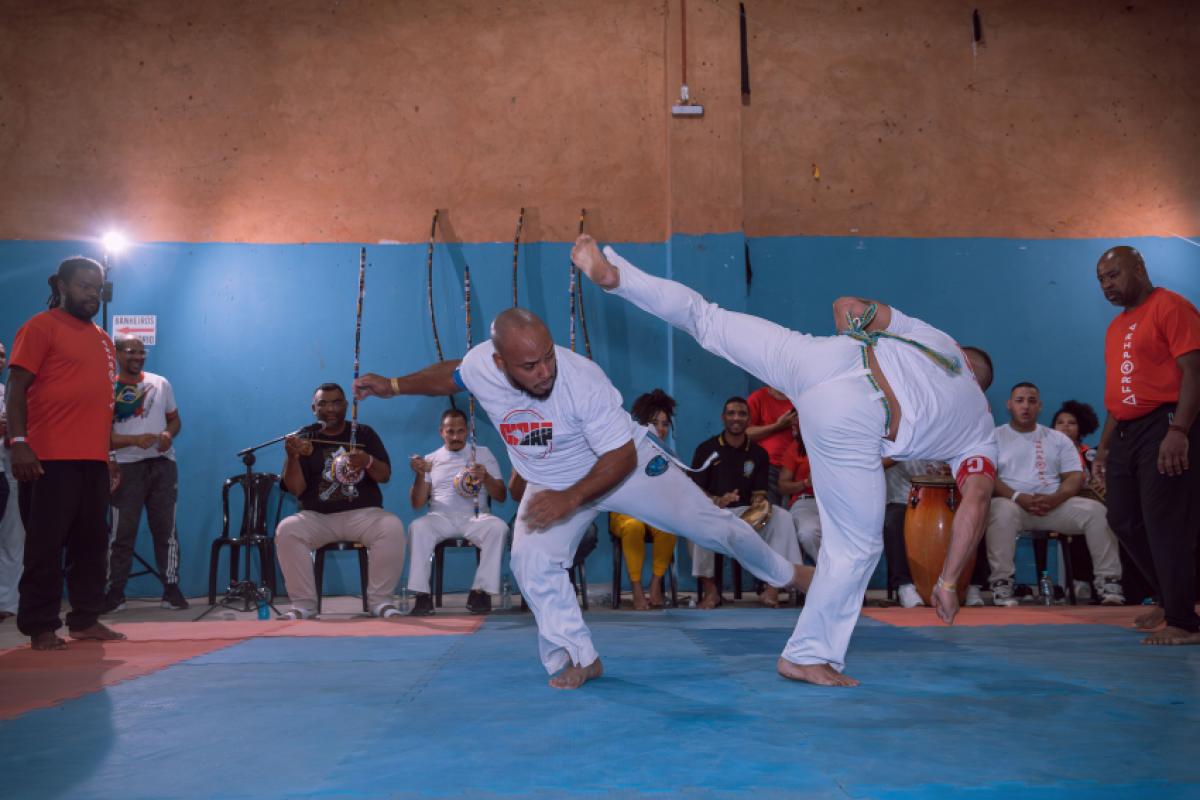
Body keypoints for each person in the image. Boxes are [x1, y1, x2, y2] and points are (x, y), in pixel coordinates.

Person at [570, 235, 997, 687]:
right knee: (855, 548)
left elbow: (847, 306)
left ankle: (617, 275)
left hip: (822, 358)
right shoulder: (980, 428)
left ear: (963, 356)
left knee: (708, 320)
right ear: (982, 385)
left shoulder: (936, 339)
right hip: (858, 414)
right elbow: (976, 502)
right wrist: (949, 582)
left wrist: (849, 357)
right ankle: (809, 654)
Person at [353, 309, 809, 689]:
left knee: (713, 527)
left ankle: (787, 573)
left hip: (623, 469)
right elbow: (451, 376)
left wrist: (571, 499)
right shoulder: (481, 366)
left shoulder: (581, 380)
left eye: (548, 358)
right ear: (499, 362)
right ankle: (581, 656)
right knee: (530, 563)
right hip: (552, 484)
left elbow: (620, 455)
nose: (544, 371)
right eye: (529, 366)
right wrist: (393, 385)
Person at [6, 257, 125, 650]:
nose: (91, 294)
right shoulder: (39, 328)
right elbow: (17, 388)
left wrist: (109, 457)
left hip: (92, 461)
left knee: (92, 545)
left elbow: (101, 405)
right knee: (45, 547)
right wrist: (19, 443)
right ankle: (40, 626)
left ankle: (85, 619)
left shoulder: (104, 340)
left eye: (97, 287)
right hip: (48, 458)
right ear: (59, 284)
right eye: (83, 285)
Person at [1094, 245, 1200, 645]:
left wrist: (1180, 432)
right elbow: (1119, 393)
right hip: (1125, 430)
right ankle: (1173, 597)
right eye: (1102, 280)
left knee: (1165, 522)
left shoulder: (1171, 306)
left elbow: (1194, 371)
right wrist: (1103, 450)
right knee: (1121, 518)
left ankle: (1184, 622)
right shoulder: (1116, 327)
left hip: (1167, 422)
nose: (1107, 285)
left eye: (1114, 274)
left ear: (1139, 268)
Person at [984, 383, 1124, 606]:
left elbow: (1074, 477)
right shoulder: (994, 437)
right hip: (1015, 505)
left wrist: (1055, 498)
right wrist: (1018, 497)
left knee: (1097, 511)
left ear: (1039, 406)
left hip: (1054, 506)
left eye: (1031, 401)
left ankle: (1109, 583)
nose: (1026, 406)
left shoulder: (1058, 439)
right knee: (999, 509)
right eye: (1019, 400)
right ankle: (1002, 584)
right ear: (1009, 405)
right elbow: (989, 477)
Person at [274, 383, 406, 620]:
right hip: (318, 517)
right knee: (287, 529)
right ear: (313, 408)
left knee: (391, 526)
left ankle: (381, 602)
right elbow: (296, 489)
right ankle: (303, 605)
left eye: (336, 402)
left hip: (364, 514)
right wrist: (292, 458)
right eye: (323, 403)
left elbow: (385, 475)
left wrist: (367, 461)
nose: (330, 408)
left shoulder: (364, 433)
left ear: (346, 405)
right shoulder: (305, 437)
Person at [689, 397, 803, 608]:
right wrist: (719, 500)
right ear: (723, 418)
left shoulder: (758, 453)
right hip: (713, 512)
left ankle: (772, 588)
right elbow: (695, 491)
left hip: (744, 514)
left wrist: (758, 507)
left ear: (749, 419)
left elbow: (759, 493)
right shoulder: (707, 448)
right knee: (695, 523)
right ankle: (711, 592)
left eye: (742, 414)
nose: (736, 418)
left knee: (783, 518)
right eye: (731, 413)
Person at [104, 335, 187, 612]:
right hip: (126, 467)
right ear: (117, 353)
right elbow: (101, 436)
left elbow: (175, 420)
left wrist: (166, 434)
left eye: (142, 352)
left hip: (162, 465)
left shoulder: (160, 383)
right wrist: (132, 441)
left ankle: (171, 589)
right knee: (121, 533)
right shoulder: (108, 387)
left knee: (166, 530)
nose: (138, 357)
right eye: (131, 351)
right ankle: (115, 592)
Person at [406, 408, 508, 616]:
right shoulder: (430, 459)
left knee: (499, 528)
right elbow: (417, 503)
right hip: (441, 517)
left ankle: (480, 591)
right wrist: (419, 475)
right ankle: (422, 596)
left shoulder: (483, 454)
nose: (455, 437)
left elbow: (501, 496)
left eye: (460, 431)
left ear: (468, 431)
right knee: (418, 527)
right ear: (441, 432)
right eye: (450, 432)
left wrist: (486, 477)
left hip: (476, 517)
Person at [610, 389, 679, 610]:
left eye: (665, 424)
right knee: (633, 526)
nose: (660, 428)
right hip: (624, 513)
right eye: (654, 422)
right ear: (641, 424)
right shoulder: (625, 448)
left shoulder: (669, 456)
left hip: (655, 514)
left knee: (670, 527)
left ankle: (656, 584)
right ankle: (637, 588)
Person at [0, 340, 23, 622]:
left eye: (3, 355)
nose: (0, 359)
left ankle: (8, 602)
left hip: (10, 472)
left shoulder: (8, 394)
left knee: (14, 539)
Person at [778, 419, 820, 564]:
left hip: (836, 503)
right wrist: (805, 483)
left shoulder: (838, 444)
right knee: (807, 534)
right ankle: (830, 574)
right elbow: (782, 486)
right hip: (806, 501)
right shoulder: (797, 447)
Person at [746, 385, 796, 506]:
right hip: (768, 467)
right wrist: (777, 426)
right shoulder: (758, 397)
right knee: (770, 513)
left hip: (797, 468)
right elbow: (744, 433)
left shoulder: (799, 398)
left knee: (794, 514)